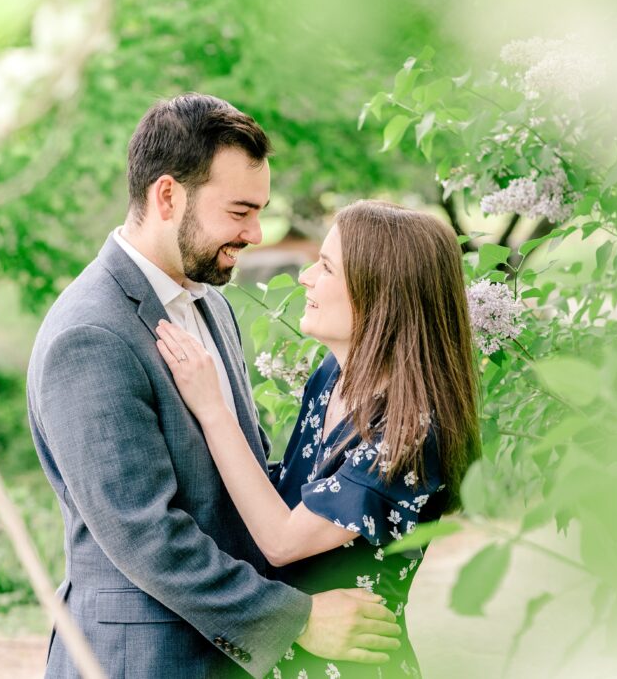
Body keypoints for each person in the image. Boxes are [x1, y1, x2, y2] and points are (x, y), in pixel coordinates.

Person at [27, 95, 401, 678]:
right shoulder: (91, 334)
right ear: (168, 196)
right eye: (239, 211)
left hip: (223, 655)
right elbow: (148, 537)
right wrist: (297, 618)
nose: (255, 233)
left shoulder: (212, 305)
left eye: (261, 211)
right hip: (143, 656)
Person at [156, 199, 480, 678]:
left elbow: (283, 540)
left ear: (379, 297)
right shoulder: (332, 376)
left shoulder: (408, 432)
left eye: (326, 268)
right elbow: (287, 493)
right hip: (290, 653)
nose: (305, 278)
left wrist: (212, 408)